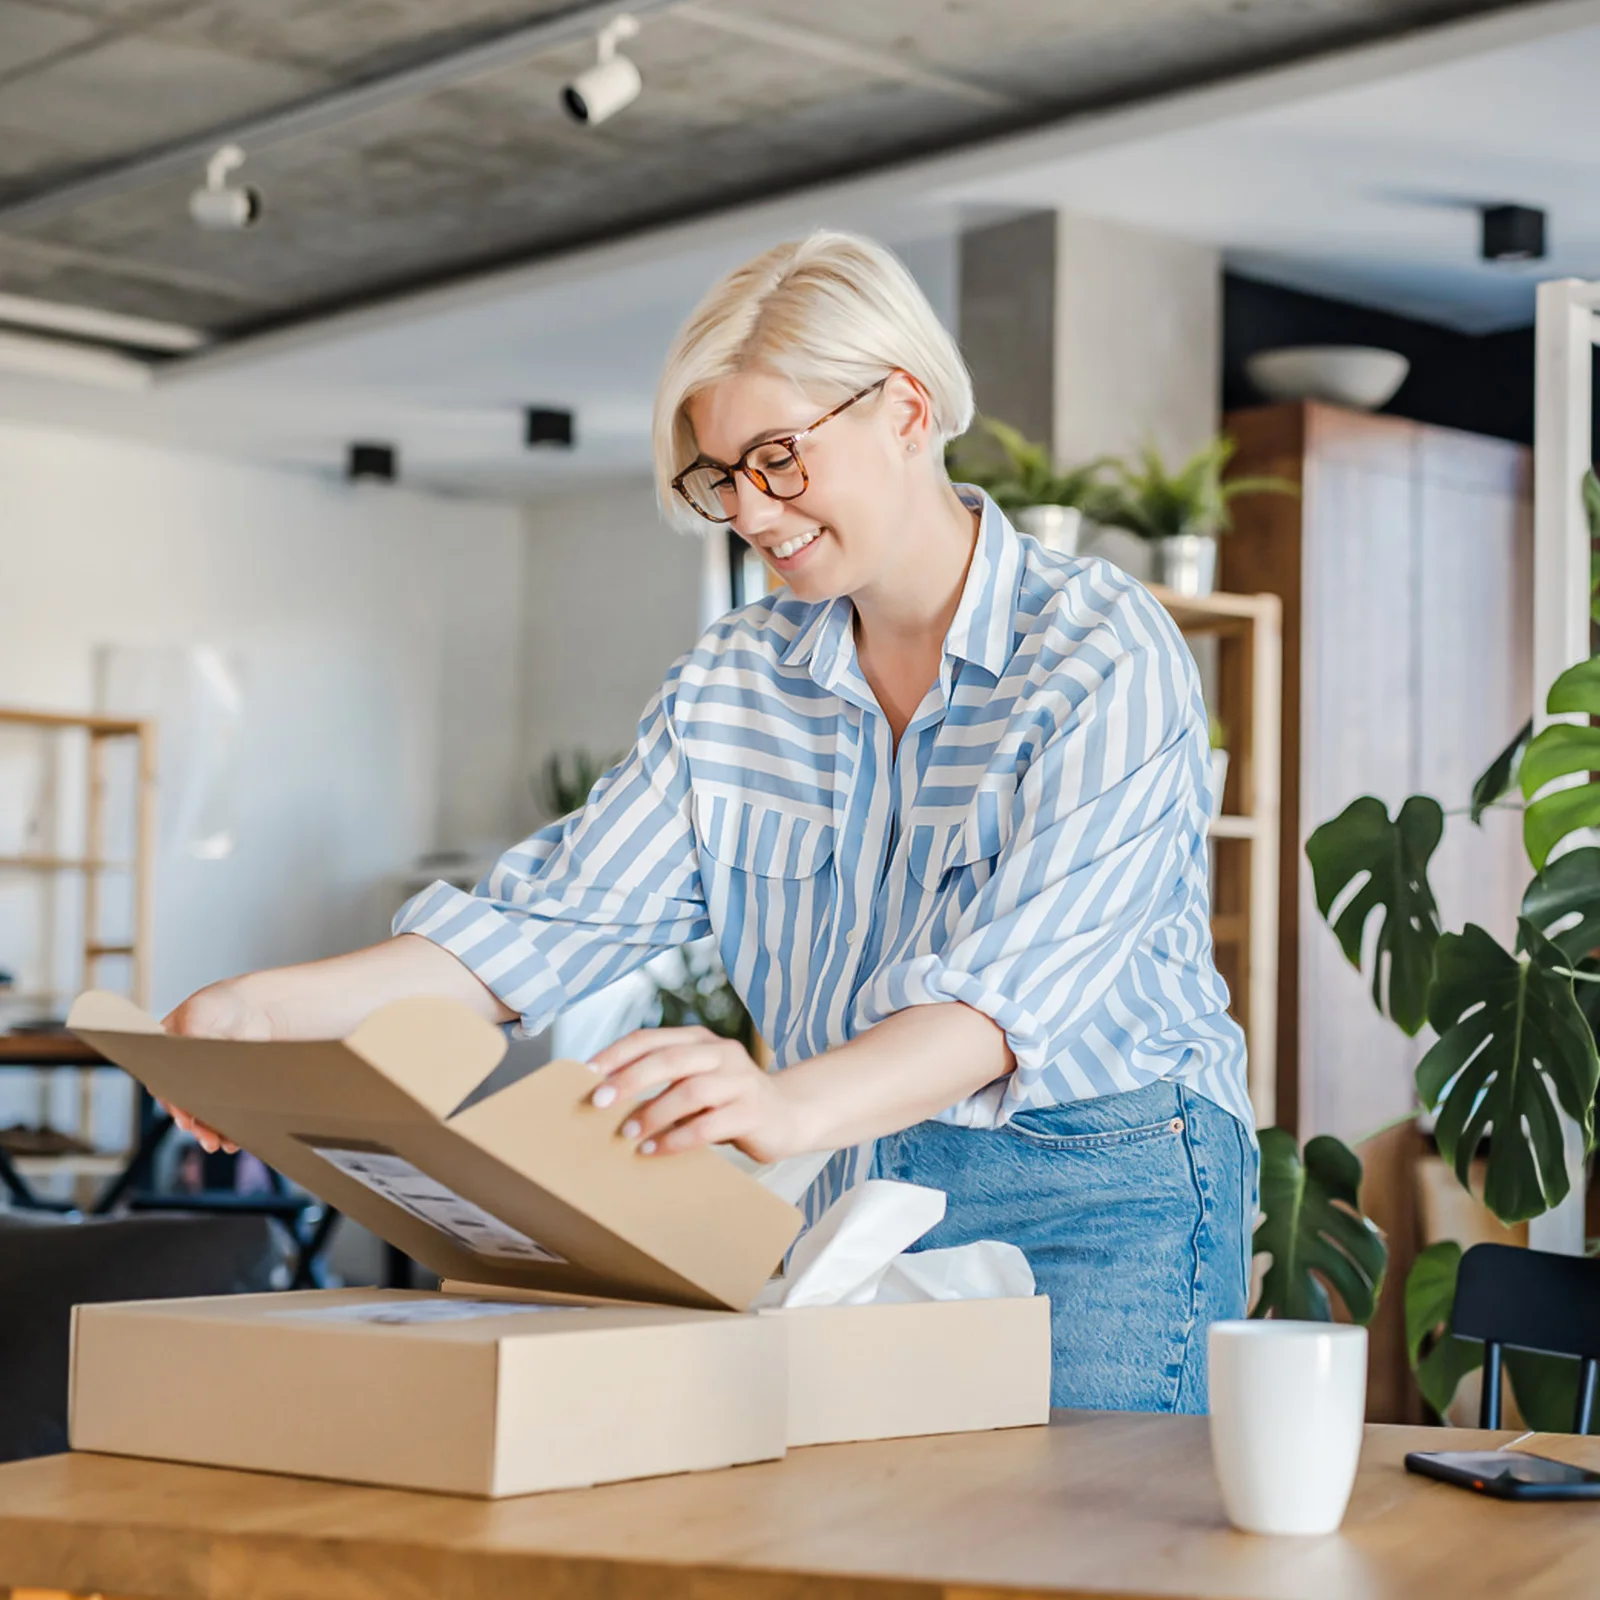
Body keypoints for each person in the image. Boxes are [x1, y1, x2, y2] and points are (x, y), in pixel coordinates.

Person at [165, 231, 1255, 1413]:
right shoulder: (734, 685)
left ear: (903, 405)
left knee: (1080, 1562)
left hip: (1096, 1182)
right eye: (718, 475)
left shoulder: (1098, 650)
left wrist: (782, 1102)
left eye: (776, 459)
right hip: (859, 1175)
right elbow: (544, 922)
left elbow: (1005, 1002)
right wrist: (268, 1009)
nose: (747, 510)